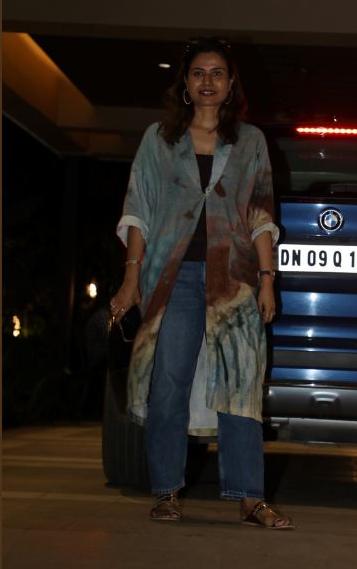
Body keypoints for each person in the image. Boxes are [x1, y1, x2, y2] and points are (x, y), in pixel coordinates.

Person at [109, 36, 294, 530]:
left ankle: (250, 498)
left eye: (217, 73)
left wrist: (267, 280)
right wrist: (130, 278)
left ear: (231, 84)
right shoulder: (159, 139)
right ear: (185, 84)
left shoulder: (251, 141)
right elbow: (139, 208)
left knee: (241, 382)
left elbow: (261, 214)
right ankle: (167, 492)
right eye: (198, 73)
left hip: (234, 282)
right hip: (172, 279)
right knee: (168, 382)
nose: (207, 81)